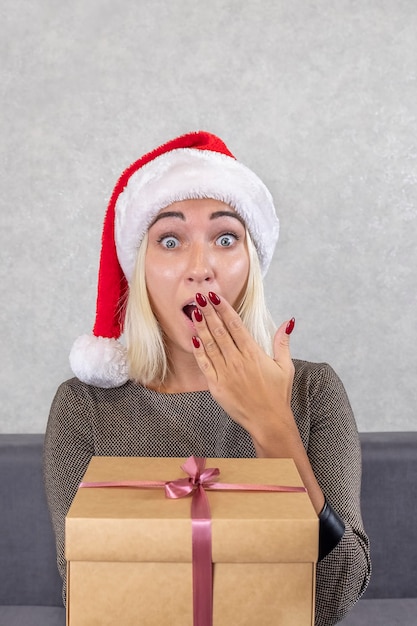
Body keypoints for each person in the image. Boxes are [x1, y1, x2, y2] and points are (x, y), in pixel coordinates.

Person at [43, 130, 371, 626]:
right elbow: (90, 595)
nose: (201, 269)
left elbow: (335, 595)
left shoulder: (313, 391)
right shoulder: (84, 407)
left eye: (225, 238)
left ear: (251, 262)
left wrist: (272, 426)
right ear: (140, 270)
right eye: (170, 241)